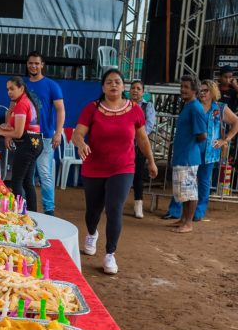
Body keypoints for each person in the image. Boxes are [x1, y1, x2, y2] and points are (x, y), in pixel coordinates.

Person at [71, 69, 158, 274]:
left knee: (114, 208)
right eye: (109, 82)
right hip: (94, 166)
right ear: (103, 87)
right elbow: (77, 133)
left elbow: (142, 139)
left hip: (123, 167)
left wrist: (152, 162)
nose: (113, 85)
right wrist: (81, 143)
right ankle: (92, 233)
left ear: (123, 87)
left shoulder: (135, 110)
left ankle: (110, 254)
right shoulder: (91, 109)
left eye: (117, 82)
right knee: (93, 210)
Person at [164, 80, 238, 222]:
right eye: (201, 90)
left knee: (204, 181)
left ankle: (198, 212)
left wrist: (226, 139)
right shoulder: (194, 105)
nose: (202, 93)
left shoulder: (220, 107)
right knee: (184, 180)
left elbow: (237, 122)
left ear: (213, 92)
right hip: (193, 149)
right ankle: (176, 210)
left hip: (210, 151)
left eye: (205, 90)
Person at [0, 76, 43, 212]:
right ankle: (32, 213)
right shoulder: (26, 101)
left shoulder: (21, 104)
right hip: (35, 142)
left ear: (21, 88)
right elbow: (23, 127)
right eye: (8, 89)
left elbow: (18, 133)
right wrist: (7, 127)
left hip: (27, 145)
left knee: (17, 181)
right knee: (27, 182)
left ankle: (19, 213)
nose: (9, 92)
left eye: (12, 89)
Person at [24, 51, 65, 216]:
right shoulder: (23, 85)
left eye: (36, 63)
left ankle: (49, 211)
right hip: (26, 136)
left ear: (42, 65)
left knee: (44, 173)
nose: (33, 66)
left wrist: (58, 133)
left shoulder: (51, 85)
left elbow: (61, 110)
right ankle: (28, 209)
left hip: (45, 137)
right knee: (27, 175)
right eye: (30, 63)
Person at [166, 75, 207, 233]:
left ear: (195, 90)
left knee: (190, 191)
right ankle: (183, 219)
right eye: (181, 87)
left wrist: (190, 146)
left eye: (186, 87)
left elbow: (201, 135)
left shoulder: (195, 108)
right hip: (183, 155)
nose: (182, 90)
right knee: (183, 191)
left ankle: (188, 223)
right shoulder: (189, 106)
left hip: (188, 157)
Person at [128, 79, 156, 219]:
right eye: (133, 88)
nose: (135, 91)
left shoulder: (148, 106)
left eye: (138, 88)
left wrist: (136, 135)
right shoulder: (124, 104)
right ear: (129, 90)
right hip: (123, 146)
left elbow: (150, 125)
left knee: (138, 176)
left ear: (143, 92)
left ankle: (138, 205)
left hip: (139, 146)